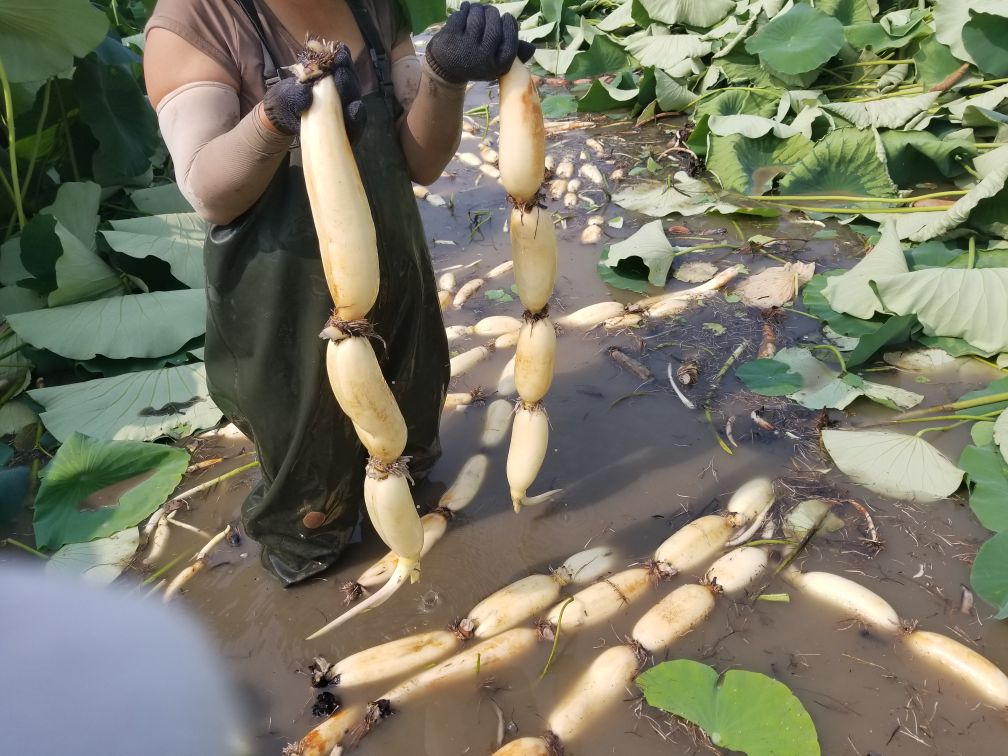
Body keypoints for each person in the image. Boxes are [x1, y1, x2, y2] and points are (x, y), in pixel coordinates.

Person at [143, 0, 534, 584]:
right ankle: (311, 577)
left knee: (409, 437)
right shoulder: (196, 21)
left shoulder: (374, 6)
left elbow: (420, 162)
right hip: (287, 307)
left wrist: (444, 75)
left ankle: (417, 548)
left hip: (396, 279)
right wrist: (273, 120)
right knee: (309, 489)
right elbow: (210, 192)